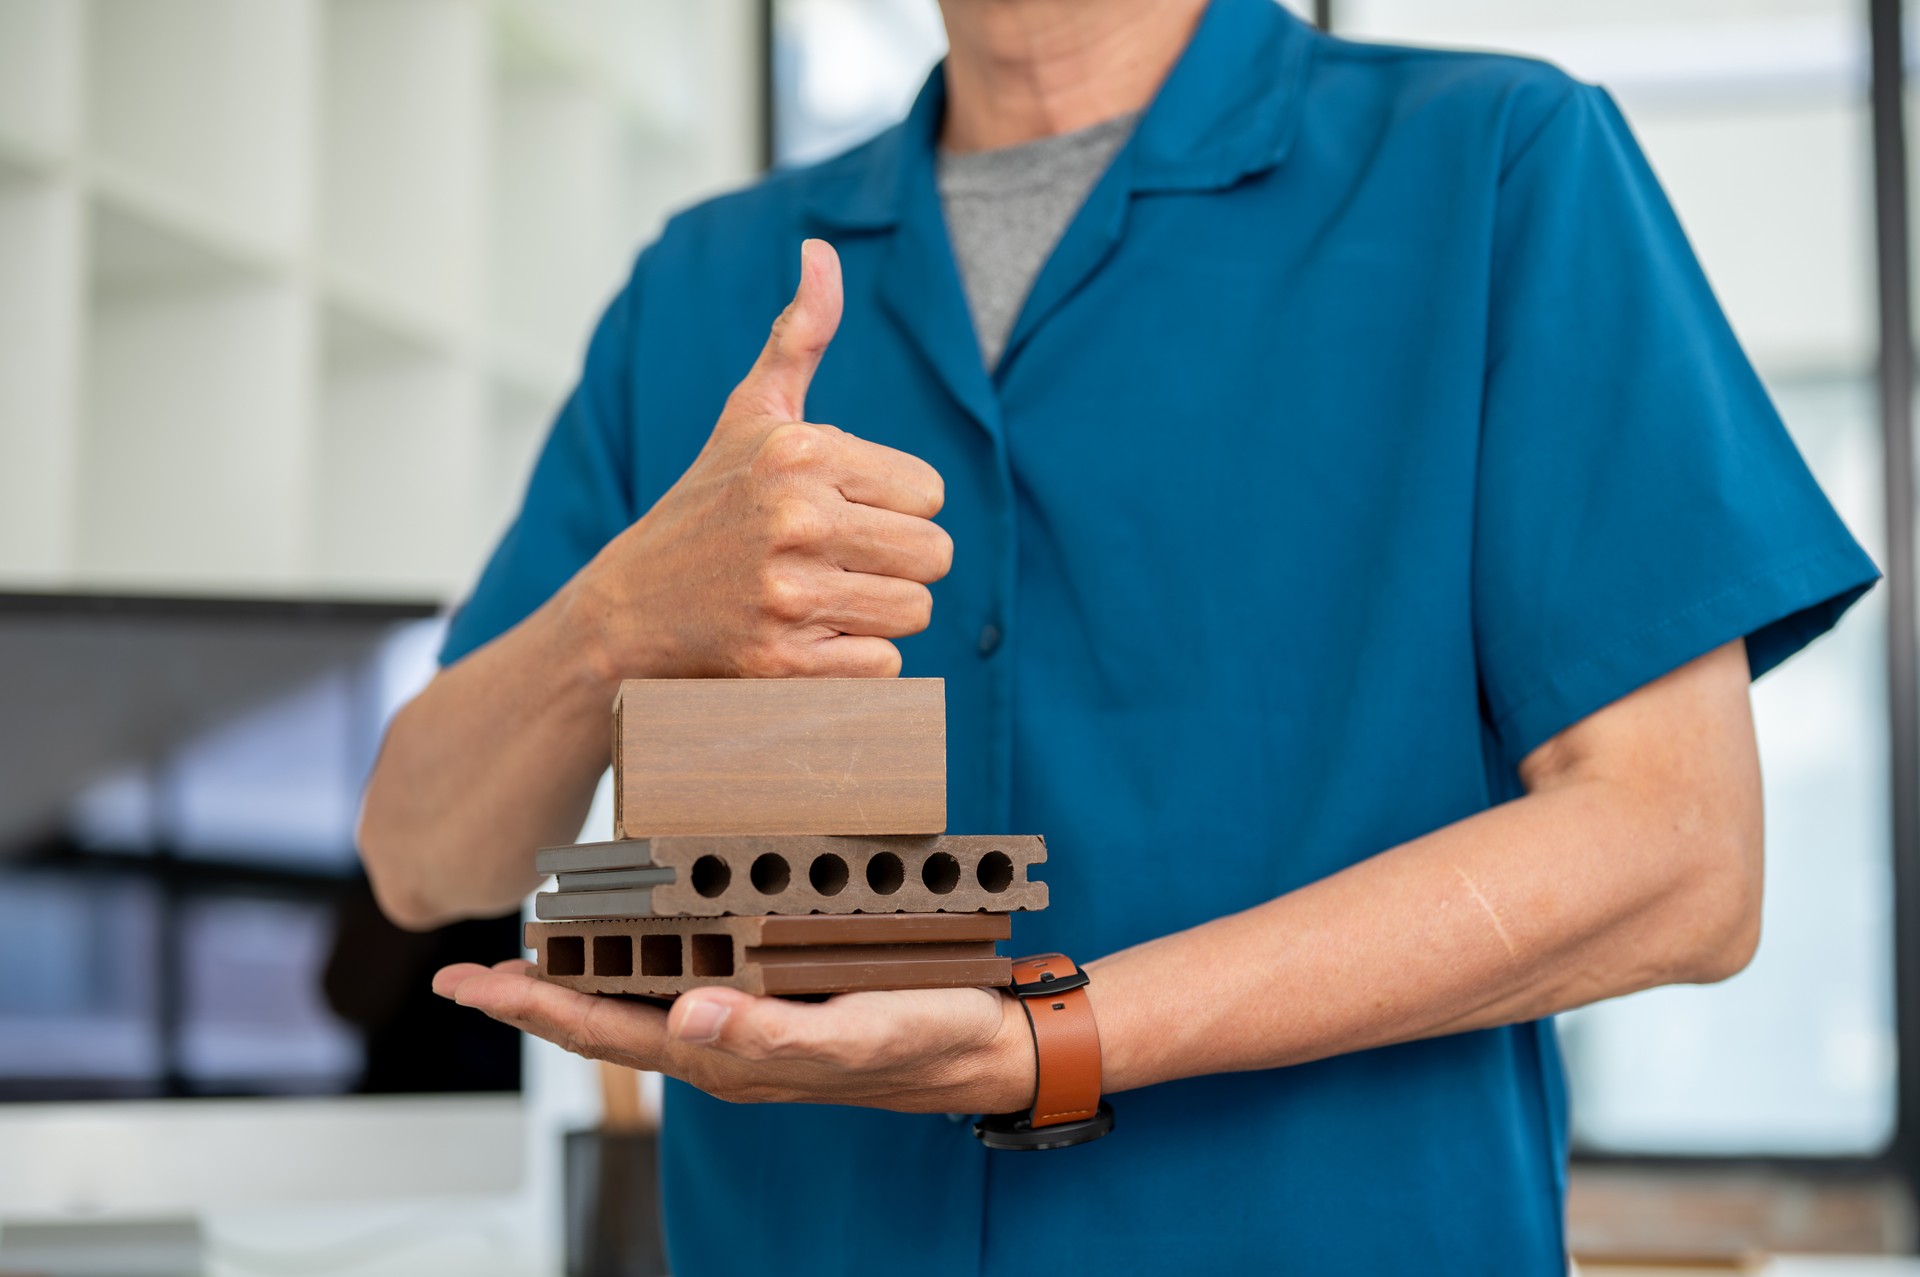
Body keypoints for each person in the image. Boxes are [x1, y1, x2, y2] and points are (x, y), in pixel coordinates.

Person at [357, 0, 1879, 1271]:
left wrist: (1052, 1037)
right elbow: (427, 854)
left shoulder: (1495, 168)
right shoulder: (702, 286)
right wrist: (621, 615)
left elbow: (1680, 853)